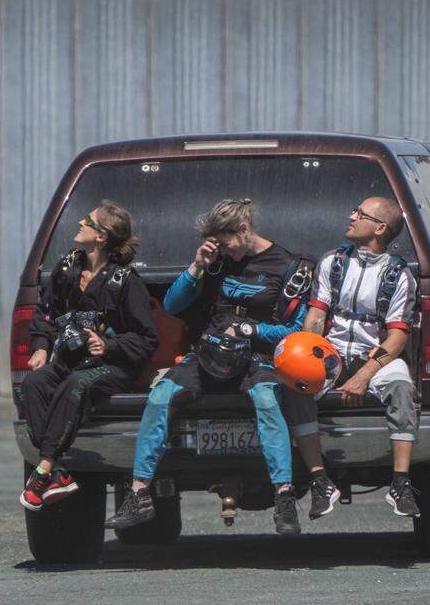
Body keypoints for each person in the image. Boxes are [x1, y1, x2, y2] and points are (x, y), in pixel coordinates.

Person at [104, 198, 312, 535]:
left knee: (267, 402)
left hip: (256, 358)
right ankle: (140, 495)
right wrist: (196, 266)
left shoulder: (287, 266)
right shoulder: (215, 263)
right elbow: (172, 305)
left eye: (225, 242)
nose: (223, 251)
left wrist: (251, 329)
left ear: (243, 230)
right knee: (159, 398)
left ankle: (284, 498)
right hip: (208, 354)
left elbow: (296, 331)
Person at [285, 196, 421, 518]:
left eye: (360, 214)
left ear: (380, 227)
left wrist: (363, 376)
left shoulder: (399, 275)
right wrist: (305, 349)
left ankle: (401, 483)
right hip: (331, 354)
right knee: (297, 384)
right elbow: (316, 316)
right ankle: (320, 480)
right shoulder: (332, 261)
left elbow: (398, 335)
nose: (351, 216)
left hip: (373, 357)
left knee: (401, 385)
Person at [19, 201, 159, 511]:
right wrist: (41, 345)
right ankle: (59, 473)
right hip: (70, 361)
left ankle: (44, 470)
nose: (80, 223)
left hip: (112, 368)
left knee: (76, 386)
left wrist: (109, 345)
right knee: (33, 384)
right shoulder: (67, 266)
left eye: (89, 221)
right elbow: (46, 312)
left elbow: (147, 339)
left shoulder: (125, 282)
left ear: (102, 237)